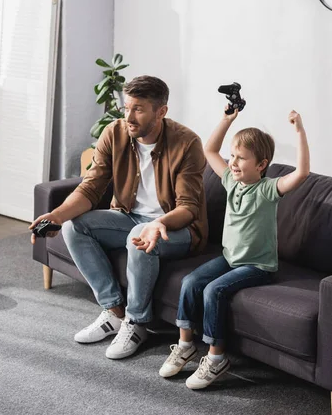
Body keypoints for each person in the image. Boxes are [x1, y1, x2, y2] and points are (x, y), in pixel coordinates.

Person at [30, 76, 208, 359]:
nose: (129, 116)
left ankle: (137, 323)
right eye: (127, 108)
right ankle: (115, 312)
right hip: (128, 216)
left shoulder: (187, 143)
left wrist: (157, 223)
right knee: (76, 227)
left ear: (161, 111)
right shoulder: (115, 133)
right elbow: (91, 186)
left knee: (140, 238)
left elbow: (188, 208)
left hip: (178, 228)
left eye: (138, 109)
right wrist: (56, 216)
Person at [159, 106, 310, 389]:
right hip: (229, 258)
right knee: (191, 281)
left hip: (257, 266)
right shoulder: (230, 181)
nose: (233, 162)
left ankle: (216, 359)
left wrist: (299, 130)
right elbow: (210, 151)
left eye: (242, 158)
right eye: (233, 156)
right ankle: (185, 344)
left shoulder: (268, 190)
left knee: (213, 290)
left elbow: (301, 173)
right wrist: (227, 120)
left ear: (261, 165)